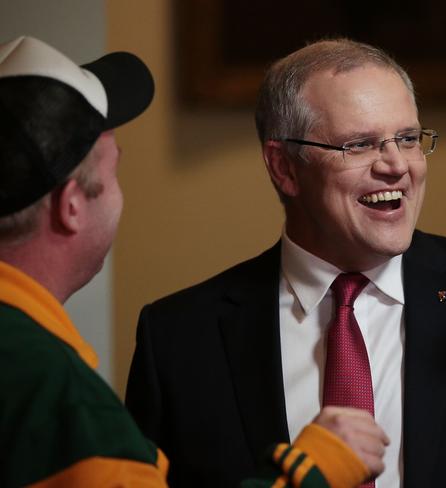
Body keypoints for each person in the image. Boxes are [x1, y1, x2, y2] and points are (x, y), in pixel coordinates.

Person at [125, 38, 446, 487]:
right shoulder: (177, 339)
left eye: (407, 138)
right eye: (359, 144)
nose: (396, 165)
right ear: (283, 167)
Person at [0, 36, 387, 488]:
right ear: (71, 206)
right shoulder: (61, 405)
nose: (393, 163)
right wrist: (309, 473)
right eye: (113, 172)